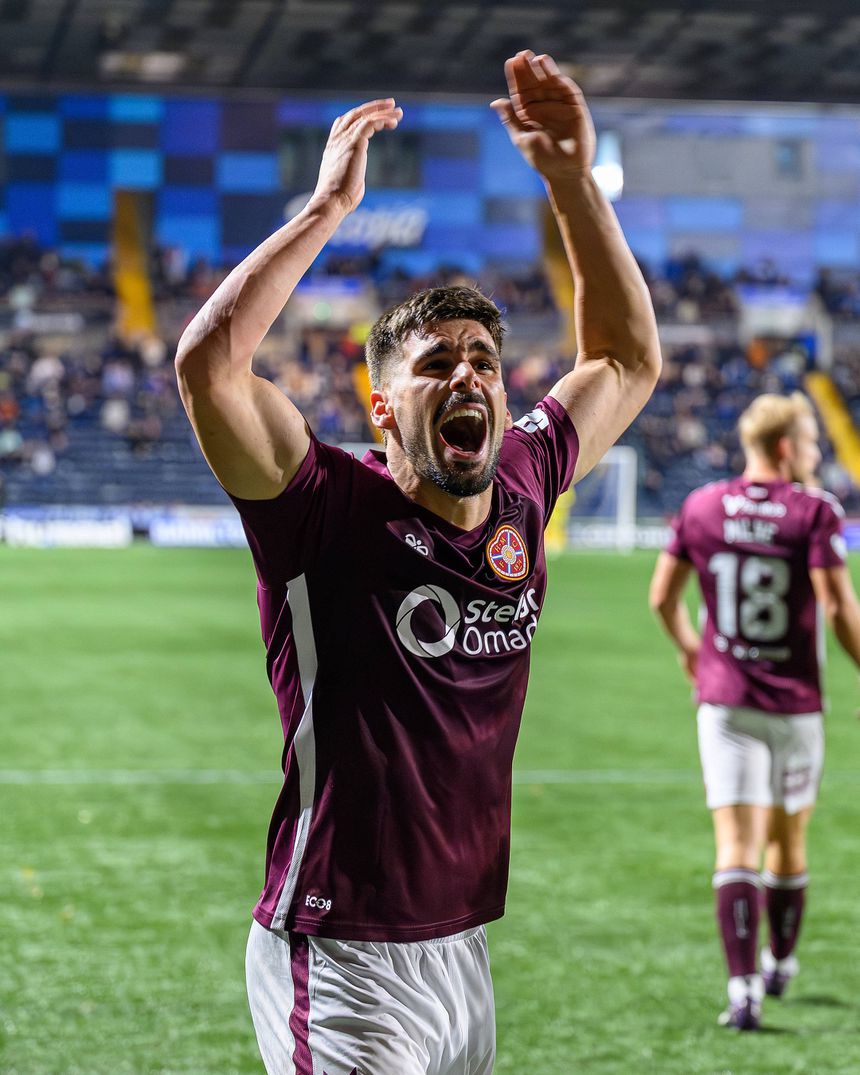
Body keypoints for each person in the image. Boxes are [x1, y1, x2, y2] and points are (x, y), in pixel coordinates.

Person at [176, 49, 661, 1075]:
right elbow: (210, 368)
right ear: (383, 407)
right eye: (434, 363)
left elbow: (621, 360)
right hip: (340, 942)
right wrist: (323, 211)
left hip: (460, 946)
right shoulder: (319, 509)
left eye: (482, 360)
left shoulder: (524, 484)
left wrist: (571, 180)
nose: (467, 375)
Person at [649, 392, 860, 1032]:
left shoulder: (702, 505)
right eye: (812, 442)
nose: (817, 454)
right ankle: (780, 963)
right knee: (788, 843)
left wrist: (693, 652)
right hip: (795, 709)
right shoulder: (815, 512)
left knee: (734, 846)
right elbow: (837, 609)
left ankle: (743, 993)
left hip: (726, 704)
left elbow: (661, 599)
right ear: (786, 447)